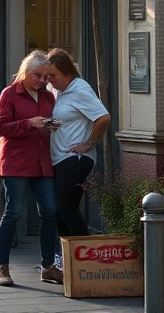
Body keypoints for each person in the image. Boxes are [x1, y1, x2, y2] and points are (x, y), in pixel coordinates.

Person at [0, 50, 62, 287]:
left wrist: (51, 126)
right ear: (25, 71)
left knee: (50, 212)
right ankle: (1, 266)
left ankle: (48, 267)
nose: (43, 81)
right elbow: (1, 128)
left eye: (46, 77)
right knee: (13, 212)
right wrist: (29, 124)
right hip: (16, 163)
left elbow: (45, 123)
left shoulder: (48, 97)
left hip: (43, 163)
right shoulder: (10, 94)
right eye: (38, 75)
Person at [46, 47, 111, 238]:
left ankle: (85, 253)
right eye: (47, 75)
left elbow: (104, 117)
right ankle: (67, 258)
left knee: (65, 207)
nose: (49, 79)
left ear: (66, 71)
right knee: (58, 210)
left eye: (53, 75)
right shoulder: (57, 90)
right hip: (58, 158)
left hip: (75, 158)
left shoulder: (80, 89)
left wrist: (90, 142)